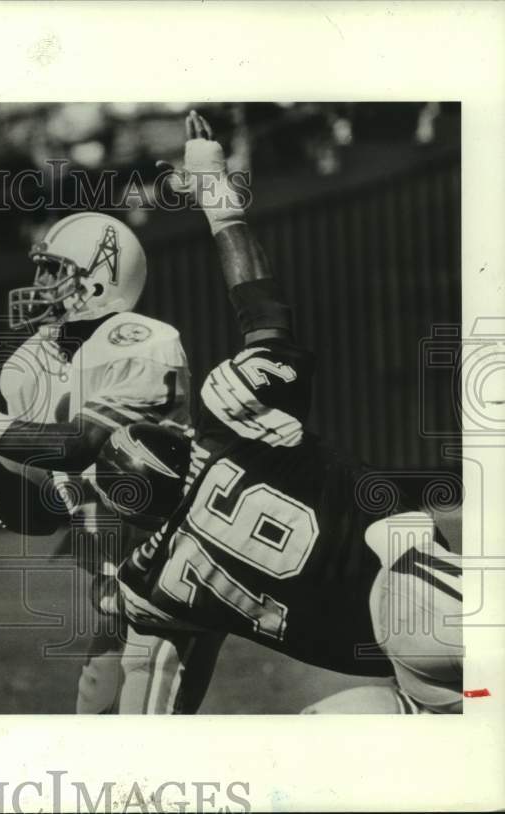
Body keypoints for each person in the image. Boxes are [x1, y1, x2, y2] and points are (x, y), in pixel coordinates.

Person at [108, 111, 461, 713]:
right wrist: (215, 192)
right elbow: (264, 310)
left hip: (399, 664)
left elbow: (150, 719)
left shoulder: (153, 578)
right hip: (425, 597)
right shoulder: (235, 422)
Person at [0, 212, 224, 715]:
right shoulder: (29, 366)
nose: (39, 284)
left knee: (142, 758)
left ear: (100, 280)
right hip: (119, 588)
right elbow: (47, 511)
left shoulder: (141, 342)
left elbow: (75, 445)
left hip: (173, 576)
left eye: (54, 270)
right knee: (93, 741)